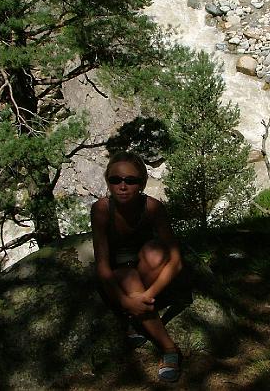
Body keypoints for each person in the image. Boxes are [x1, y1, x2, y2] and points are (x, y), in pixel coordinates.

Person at [91, 151, 183, 383]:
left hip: (146, 269)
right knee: (129, 277)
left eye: (130, 180)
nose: (122, 186)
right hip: (119, 273)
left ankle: (136, 320)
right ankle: (169, 348)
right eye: (116, 180)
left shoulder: (153, 208)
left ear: (142, 183)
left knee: (155, 253)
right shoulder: (101, 210)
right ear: (108, 182)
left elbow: (176, 260)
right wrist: (125, 301)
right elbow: (102, 266)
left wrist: (144, 298)